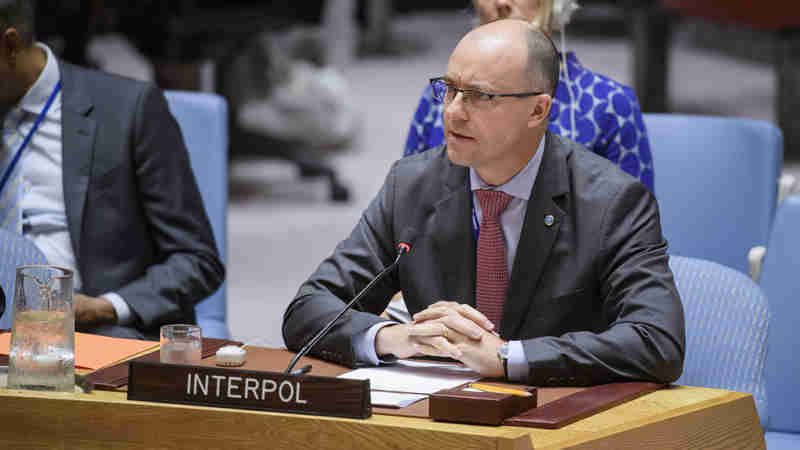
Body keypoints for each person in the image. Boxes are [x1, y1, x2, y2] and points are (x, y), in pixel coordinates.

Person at [283, 19, 684, 386]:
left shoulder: (612, 202)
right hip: (435, 417)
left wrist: (510, 358)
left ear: (538, 110)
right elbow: (308, 308)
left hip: (558, 422)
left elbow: (656, 341)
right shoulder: (412, 185)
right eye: (450, 89)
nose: (453, 112)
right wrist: (396, 337)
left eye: (479, 96)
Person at [0, 0, 224, 340]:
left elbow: (196, 259)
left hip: (93, 333)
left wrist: (106, 307)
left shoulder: (128, 110)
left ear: (10, 46)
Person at [404, 0, 655, 192]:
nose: (501, 3)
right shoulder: (439, 98)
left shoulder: (609, 105)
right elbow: (405, 211)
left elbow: (635, 234)